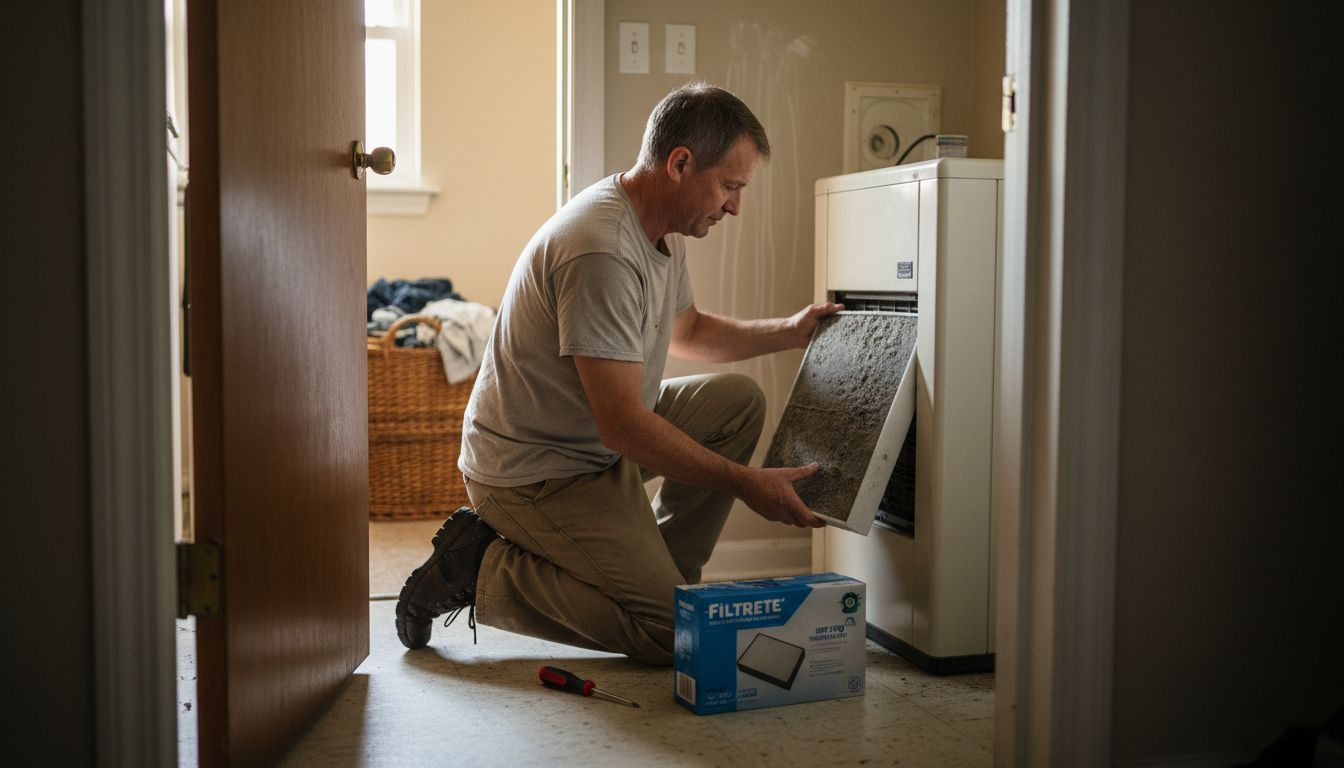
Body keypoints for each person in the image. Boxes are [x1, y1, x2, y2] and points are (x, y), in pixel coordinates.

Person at [394, 82, 841, 665]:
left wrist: (789, 330)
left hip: (590, 444)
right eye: (730, 186)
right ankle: (480, 568)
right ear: (680, 163)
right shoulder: (601, 249)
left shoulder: (661, 228)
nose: (735, 205)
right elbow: (624, 428)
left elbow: (690, 333)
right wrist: (743, 482)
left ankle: (665, 585)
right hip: (534, 471)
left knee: (737, 403)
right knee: (670, 638)